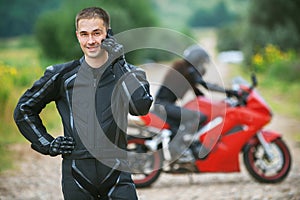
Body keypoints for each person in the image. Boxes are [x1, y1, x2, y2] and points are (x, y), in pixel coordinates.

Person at [14, 7, 153, 200]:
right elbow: (23, 110)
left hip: (117, 173)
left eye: (97, 33)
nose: (91, 41)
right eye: (84, 34)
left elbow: (140, 107)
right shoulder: (62, 75)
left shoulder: (130, 73)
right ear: (77, 36)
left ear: (108, 34)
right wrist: (47, 143)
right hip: (76, 174)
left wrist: (119, 64)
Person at [154, 45, 227, 162]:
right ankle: (176, 147)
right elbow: (205, 85)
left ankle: (187, 145)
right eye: (202, 62)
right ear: (196, 60)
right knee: (198, 116)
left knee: (195, 115)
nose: (203, 66)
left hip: (163, 105)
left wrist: (218, 103)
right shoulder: (188, 71)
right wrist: (228, 91)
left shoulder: (184, 71)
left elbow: (199, 94)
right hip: (164, 106)